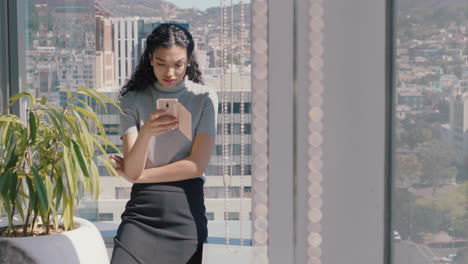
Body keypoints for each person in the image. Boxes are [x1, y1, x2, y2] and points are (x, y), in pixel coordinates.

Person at [109, 23, 217, 264]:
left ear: (189, 59)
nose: (170, 73)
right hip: (141, 212)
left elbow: (195, 166)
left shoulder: (205, 98)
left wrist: (135, 174)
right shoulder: (132, 99)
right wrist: (146, 131)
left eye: (178, 64)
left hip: (186, 211)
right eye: (161, 63)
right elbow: (135, 171)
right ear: (150, 59)